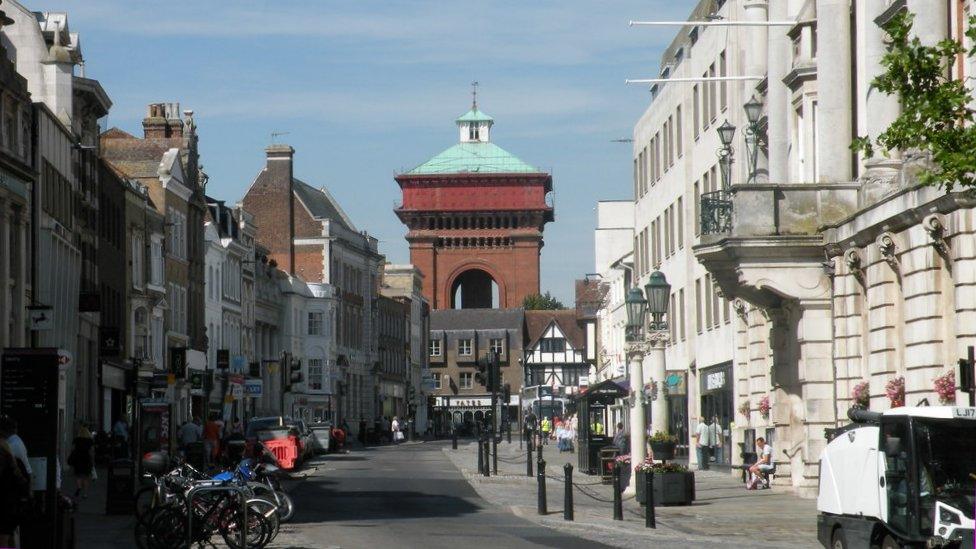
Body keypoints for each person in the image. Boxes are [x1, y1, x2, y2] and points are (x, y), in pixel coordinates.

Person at [0, 436, 31, 548]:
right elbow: (23, 484)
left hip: (7, 507)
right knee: (5, 538)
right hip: (10, 508)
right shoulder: (15, 464)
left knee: (3, 539)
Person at [68, 423, 95, 499]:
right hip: (87, 459)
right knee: (86, 477)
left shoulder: (76, 440)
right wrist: (93, 461)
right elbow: (92, 451)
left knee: (78, 475)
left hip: (78, 459)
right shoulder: (90, 440)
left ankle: (79, 487)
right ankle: (85, 494)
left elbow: (73, 449)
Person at [0, 416, 31, 481]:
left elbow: (12, 465)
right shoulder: (16, 439)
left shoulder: (10, 445)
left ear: (3, 431)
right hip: (25, 477)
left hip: (17, 481)